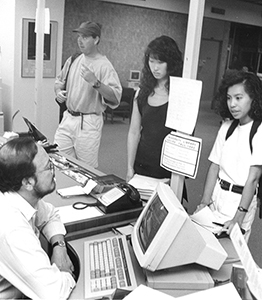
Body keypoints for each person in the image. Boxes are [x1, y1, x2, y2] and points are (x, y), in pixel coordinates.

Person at [0, 137, 76, 299]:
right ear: (27, 182)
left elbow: (50, 215)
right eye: (49, 167)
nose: (53, 171)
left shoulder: (19, 196)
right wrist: (63, 271)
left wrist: (59, 247)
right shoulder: (12, 226)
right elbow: (54, 294)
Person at [195, 70, 262, 240]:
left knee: (231, 257)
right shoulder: (226, 128)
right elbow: (214, 166)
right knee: (207, 247)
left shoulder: (258, 131)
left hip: (240, 202)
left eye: (238, 98)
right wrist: (204, 201)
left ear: (253, 98)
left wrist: (238, 217)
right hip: (218, 196)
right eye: (229, 98)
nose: (232, 104)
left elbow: (253, 178)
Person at [54, 21, 122, 168]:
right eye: (79, 36)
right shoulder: (73, 59)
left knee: (86, 170)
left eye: (85, 37)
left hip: (89, 122)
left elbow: (115, 97)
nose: (80, 40)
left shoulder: (104, 66)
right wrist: (58, 92)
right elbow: (59, 81)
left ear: (96, 39)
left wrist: (95, 82)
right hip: (68, 118)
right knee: (59, 161)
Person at [127, 35, 183, 180]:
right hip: (142, 163)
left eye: (160, 62)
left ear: (171, 63)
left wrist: (175, 176)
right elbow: (134, 132)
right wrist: (129, 167)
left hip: (168, 169)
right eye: (151, 61)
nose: (155, 67)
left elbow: (185, 139)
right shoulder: (142, 92)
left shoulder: (179, 94)